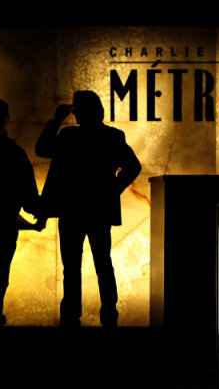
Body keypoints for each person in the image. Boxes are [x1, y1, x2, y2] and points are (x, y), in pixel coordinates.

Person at [35, 90, 141, 328]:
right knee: (102, 263)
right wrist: (113, 188)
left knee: (73, 266)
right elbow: (133, 166)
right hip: (98, 209)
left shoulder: (68, 136)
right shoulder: (111, 137)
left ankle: (72, 315)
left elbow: (42, 148)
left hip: (72, 209)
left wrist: (56, 120)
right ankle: (108, 313)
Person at [0, 98, 43, 328]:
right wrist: (38, 212)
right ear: (8, 118)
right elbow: (28, 191)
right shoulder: (13, 152)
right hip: (4, 224)